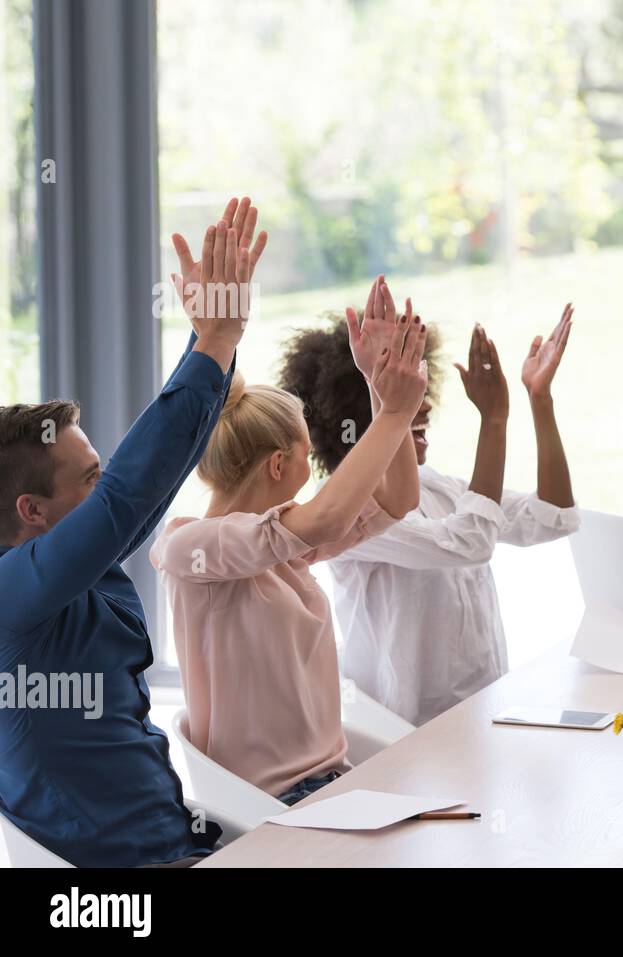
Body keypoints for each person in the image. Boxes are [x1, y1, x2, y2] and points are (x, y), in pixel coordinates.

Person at [0, 198, 265, 865]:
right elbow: (128, 496)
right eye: (87, 476)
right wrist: (213, 341)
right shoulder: (11, 594)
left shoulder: (72, 571)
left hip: (181, 844)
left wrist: (214, 343)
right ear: (33, 510)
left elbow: (142, 491)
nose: (105, 481)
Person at [151, 276, 427, 803]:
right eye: (306, 454)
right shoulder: (192, 546)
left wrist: (377, 385)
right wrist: (394, 414)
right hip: (276, 805)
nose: (315, 467)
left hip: (332, 784)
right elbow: (326, 518)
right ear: (279, 464)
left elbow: (397, 499)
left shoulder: (283, 544)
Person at [279, 305, 579, 726]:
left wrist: (539, 399)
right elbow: (469, 543)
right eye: (404, 385)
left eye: (419, 380)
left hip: (483, 709)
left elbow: (554, 517)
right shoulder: (341, 511)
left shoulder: (436, 484)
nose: (425, 402)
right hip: (405, 732)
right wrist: (493, 420)